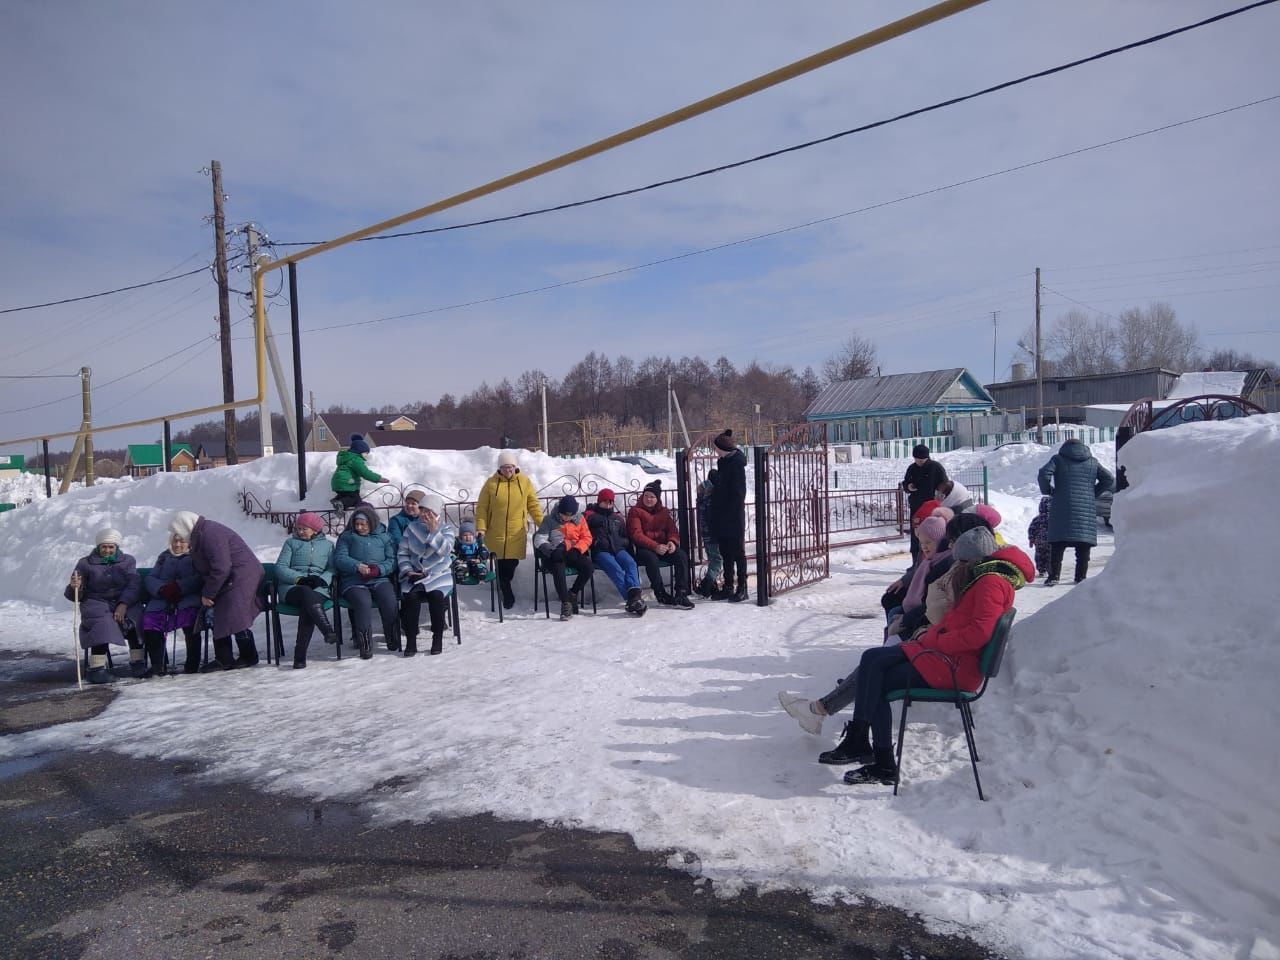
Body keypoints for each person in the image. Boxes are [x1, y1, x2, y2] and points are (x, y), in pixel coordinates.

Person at [778, 528, 1032, 784]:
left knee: (875, 681)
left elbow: (978, 633)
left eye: (960, 562)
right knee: (872, 659)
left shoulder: (990, 583)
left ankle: (881, 762)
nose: (957, 567)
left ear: (972, 560)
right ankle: (860, 742)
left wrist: (935, 639)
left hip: (953, 667)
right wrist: (931, 637)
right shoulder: (988, 578)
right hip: (946, 658)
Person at [170, 511, 264, 672]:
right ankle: (224, 658)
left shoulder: (210, 534)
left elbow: (221, 567)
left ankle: (249, 655)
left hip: (241, 575)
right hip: (228, 577)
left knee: (236, 614)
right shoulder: (201, 534)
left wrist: (208, 594)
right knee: (217, 614)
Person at [64, 528, 144, 684]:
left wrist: (123, 604)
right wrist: (75, 586)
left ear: (117, 547)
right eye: (104, 547)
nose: (107, 550)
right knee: (103, 622)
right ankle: (97, 668)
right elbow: (74, 595)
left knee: (135, 619)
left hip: (124, 601)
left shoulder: (128, 561)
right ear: (98, 547)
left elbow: (134, 585)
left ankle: (138, 662)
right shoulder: (85, 563)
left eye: (111, 547)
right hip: (96, 602)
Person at [1037, 438, 1114, 586]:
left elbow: (1043, 474)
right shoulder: (1092, 462)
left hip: (1061, 508)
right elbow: (1109, 479)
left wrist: (1049, 491)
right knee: (1083, 545)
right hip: (1085, 509)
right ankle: (1080, 577)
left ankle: (1053, 577)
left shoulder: (1058, 459)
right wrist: (1092, 493)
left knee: (1058, 545)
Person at [475, 449, 543, 610]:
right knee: (500, 563)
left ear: (515, 467)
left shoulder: (524, 482)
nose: (508, 470)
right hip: (495, 532)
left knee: (511, 564)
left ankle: (505, 585)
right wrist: (481, 527)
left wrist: (542, 523)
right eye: (505, 467)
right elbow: (482, 508)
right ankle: (507, 592)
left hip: (515, 532)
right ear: (499, 468)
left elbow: (533, 505)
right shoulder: (491, 484)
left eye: (511, 467)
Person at [333, 504, 398, 659]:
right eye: (357, 524)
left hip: (379, 578)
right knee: (363, 603)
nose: (360, 528)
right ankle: (365, 644)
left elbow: (392, 560)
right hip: (354, 580)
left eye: (364, 524)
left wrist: (379, 569)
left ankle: (392, 637)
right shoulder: (347, 537)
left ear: (372, 523)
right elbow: (339, 558)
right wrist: (357, 566)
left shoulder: (384, 537)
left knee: (389, 600)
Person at [274, 512, 337, 669]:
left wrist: (324, 579)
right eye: (299, 528)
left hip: (318, 587)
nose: (300, 531)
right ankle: (327, 630)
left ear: (315, 530)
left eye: (304, 529)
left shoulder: (328, 546)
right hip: (292, 587)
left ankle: (299, 657)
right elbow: (280, 567)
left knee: (308, 605)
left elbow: (333, 568)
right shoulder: (290, 543)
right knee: (306, 595)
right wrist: (299, 579)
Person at [397, 494, 456, 656]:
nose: (424, 514)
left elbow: (445, 551)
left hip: (439, 574)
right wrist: (408, 570)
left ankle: (437, 638)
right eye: (422, 510)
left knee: (437, 597)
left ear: (435, 512)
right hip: (415, 575)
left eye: (428, 511)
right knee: (411, 598)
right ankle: (411, 640)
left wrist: (434, 531)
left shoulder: (446, 529)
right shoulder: (411, 528)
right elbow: (402, 553)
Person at [142, 531, 204, 675]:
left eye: (182, 541)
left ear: (188, 542)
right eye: (175, 541)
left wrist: (180, 587)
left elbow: (198, 578)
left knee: (190, 621)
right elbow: (151, 578)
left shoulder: (195, 557)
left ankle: (192, 664)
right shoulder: (164, 557)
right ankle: (158, 664)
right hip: (163, 598)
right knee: (150, 620)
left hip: (187, 598)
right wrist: (162, 588)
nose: (177, 544)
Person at [627, 480, 693, 609]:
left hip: (663, 547)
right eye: (646, 496)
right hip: (645, 548)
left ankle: (681, 593)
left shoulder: (663, 511)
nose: (649, 499)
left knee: (681, 556)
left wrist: (672, 542)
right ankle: (660, 593)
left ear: (657, 498)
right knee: (651, 559)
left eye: (652, 497)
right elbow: (636, 535)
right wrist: (655, 546)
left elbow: (672, 530)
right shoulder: (635, 511)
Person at [584, 488, 646, 616]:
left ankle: (634, 597)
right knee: (615, 568)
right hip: (601, 551)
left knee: (630, 564)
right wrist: (594, 543)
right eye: (605, 502)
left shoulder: (617, 518)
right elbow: (584, 534)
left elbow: (625, 536)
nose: (608, 505)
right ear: (599, 501)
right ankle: (631, 599)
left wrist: (628, 549)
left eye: (610, 502)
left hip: (618, 549)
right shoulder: (591, 517)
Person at [533, 495, 595, 620]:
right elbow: (539, 538)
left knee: (588, 567)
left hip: (573, 552)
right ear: (559, 511)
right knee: (558, 568)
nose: (566, 518)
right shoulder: (549, 520)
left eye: (570, 515)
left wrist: (577, 550)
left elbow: (587, 538)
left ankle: (573, 593)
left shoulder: (580, 519)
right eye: (564, 515)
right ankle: (565, 603)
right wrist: (550, 550)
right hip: (555, 554)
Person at [707, 429, 749, 602]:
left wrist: (719, 490)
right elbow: (723, 485)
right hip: (721, 516)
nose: (715, 451)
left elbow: (738, 493)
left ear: (722, 447)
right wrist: (716, 480)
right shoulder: (723, 463)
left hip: (733, 516)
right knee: (725, 553)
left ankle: (742, 588)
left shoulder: (737, 465)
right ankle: (728, 586)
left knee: (738, 552)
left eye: (716, 448)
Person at [330, 434, 388, 512]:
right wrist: (378, 478)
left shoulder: (346, 458)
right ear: (360, 451)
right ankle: (341, 503)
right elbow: (365, 473)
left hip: (338, 482)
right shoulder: (356, 460)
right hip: (347, 483)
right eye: (366, 453)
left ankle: (338, 501)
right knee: (354, 499)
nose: (367, 455)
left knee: (349, 497)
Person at [693, 469, 722, 598]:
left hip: (706, 533)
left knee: (713, 559)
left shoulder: (702, 495)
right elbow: (715, 518)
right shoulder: (712, 497)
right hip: (714, 534)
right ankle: (705, 586)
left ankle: (710, 586)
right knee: (717, 560)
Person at [1026, 496, 1053, 579]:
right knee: (1050, 556)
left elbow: (1032, 529)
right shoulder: (1055, 518)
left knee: (1039, 555)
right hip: (1051, 540)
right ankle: (1050, 569)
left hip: (1039, 541)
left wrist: (1031, 538)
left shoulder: (1037, 518)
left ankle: (1041, 570)